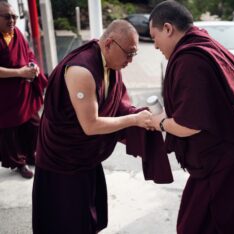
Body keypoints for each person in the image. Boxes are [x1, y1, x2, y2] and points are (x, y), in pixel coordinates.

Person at [32, 19, 173, 234]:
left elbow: (117, 104)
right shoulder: (82, 71)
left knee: (88, 217)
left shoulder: (111, 64)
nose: (130, 60)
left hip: (87, 156)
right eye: (129, 53)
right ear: (108, 44)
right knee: (65, 221)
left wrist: (139, 114)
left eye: (133, 54)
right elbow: (91, 125)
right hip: (63, 160)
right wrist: (134, 120)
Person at [148, 1, 234, 233]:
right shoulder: (203, 43)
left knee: (204, 225)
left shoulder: (190, 59)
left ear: (168, 28)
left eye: (154, 37)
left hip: (231, 155)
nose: (154, 45)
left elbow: (190, 124)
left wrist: (161, 123)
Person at [0, 1, 47, 179]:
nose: (12, 20)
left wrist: (33, 66)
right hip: (5, 95)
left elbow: (28, 53)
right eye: (7, 17)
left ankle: (32, 154)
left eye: (14, 16)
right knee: (11, 132)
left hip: (24, 90)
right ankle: (18, 163)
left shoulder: (17, 33)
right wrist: (20, 72)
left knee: (33, 125)